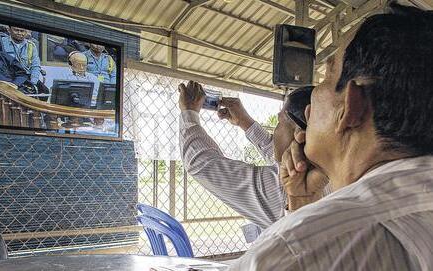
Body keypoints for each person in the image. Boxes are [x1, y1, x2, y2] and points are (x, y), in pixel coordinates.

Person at [225, 2, 433, 270]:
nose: (309, 109)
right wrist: (302, 204)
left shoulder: (291, 252)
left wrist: (305, 223)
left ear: (350, 106)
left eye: (325, 78)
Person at [179, 83, 329, 229]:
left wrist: (189, 111)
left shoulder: (291, 186)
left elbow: (199, 163)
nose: (275, 132)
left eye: (279, 123)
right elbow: (280, 155)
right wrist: (245, 122)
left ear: (299, 134)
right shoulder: (332, 172)